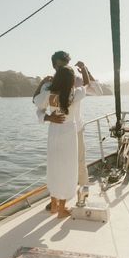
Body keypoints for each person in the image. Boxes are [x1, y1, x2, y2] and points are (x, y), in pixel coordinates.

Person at [33, 51, 102, 209]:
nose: (62, 67)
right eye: (60, 64)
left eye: (65, 64)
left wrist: (86, 71)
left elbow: (98, 91)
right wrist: (48, 118)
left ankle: (81, 197)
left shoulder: (72, 81)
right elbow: (39, 106)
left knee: (76, 164)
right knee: (61, 166)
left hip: (72, 130)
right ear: (54, 65)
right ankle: (56, 202)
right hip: (62, 129)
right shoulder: (51, 86)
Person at [39, 66, 89, 218]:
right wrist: (84, 70)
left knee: (54, 167)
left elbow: (37, 107)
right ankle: (61, 208)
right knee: (67, 170)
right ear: (71, 80)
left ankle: (54, 204)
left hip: (54, 131)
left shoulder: (49, 94)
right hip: (68, 134)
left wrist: (48, 117)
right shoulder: (75, 94)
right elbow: (86, 84)